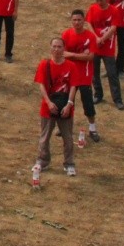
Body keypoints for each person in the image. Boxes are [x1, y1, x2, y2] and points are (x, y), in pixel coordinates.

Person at [33, 37, 79, 177]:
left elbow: (73, 86)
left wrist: (69, 104)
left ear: (64, 48)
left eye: (59, 47)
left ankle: (69, 163)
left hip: (65, 105)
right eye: (54, 46)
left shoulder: (71, 66)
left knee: (68, 137)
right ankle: (42, 160)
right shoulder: (44, 64)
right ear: (50, 48)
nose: (57, 49)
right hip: (48, 106)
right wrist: (48, 102)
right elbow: (41, 85)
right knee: (44, 136)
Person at [61, 10, 101, 144]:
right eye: (74, 20)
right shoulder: (66, 34)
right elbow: (62, 53)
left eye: (79, 20)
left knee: (88, 102)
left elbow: (90, 57)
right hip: (69, 74)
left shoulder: (90, 36)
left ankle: (92, 128)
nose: (77, 22)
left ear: (84, 21)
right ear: (71, 21)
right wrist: (80, 56)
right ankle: (64, 127)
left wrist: (71, 55)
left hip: (84, 75)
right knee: (66, 101)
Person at [87, 0, 124, 110]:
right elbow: (89, 24)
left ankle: (117, 99)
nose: (99, 2)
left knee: (112, 74)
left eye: (101, 0)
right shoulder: (93, 8)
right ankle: (98, 94)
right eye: (97, 0)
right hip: (95, 46)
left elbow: (114, 28)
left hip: (108, 47)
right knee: (94, 72)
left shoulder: (113, 10)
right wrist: (96, 38)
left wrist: (102, 38)